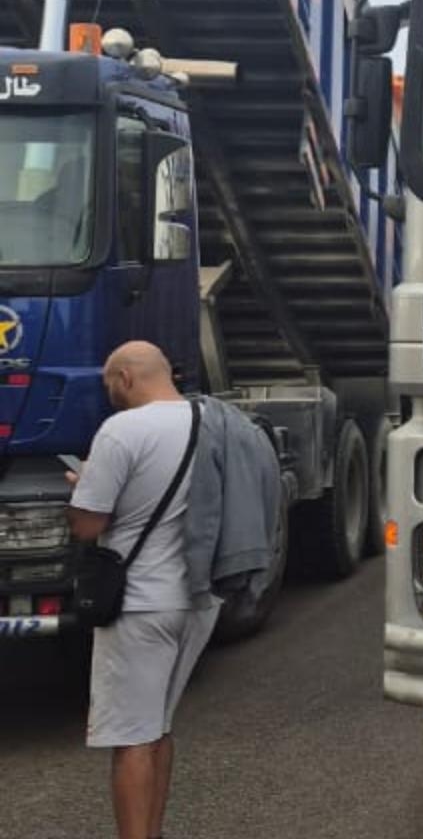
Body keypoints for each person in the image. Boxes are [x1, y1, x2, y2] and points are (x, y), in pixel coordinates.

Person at [64, 342, 215, 839]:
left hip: (137, 605)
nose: (109, 392)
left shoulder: (122, 430)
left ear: (125, 378)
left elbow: (88, 524)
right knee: (157, 729)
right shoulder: (210, 422)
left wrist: (83, 484)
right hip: (193, 599)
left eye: (109, 383)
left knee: (131, 738)